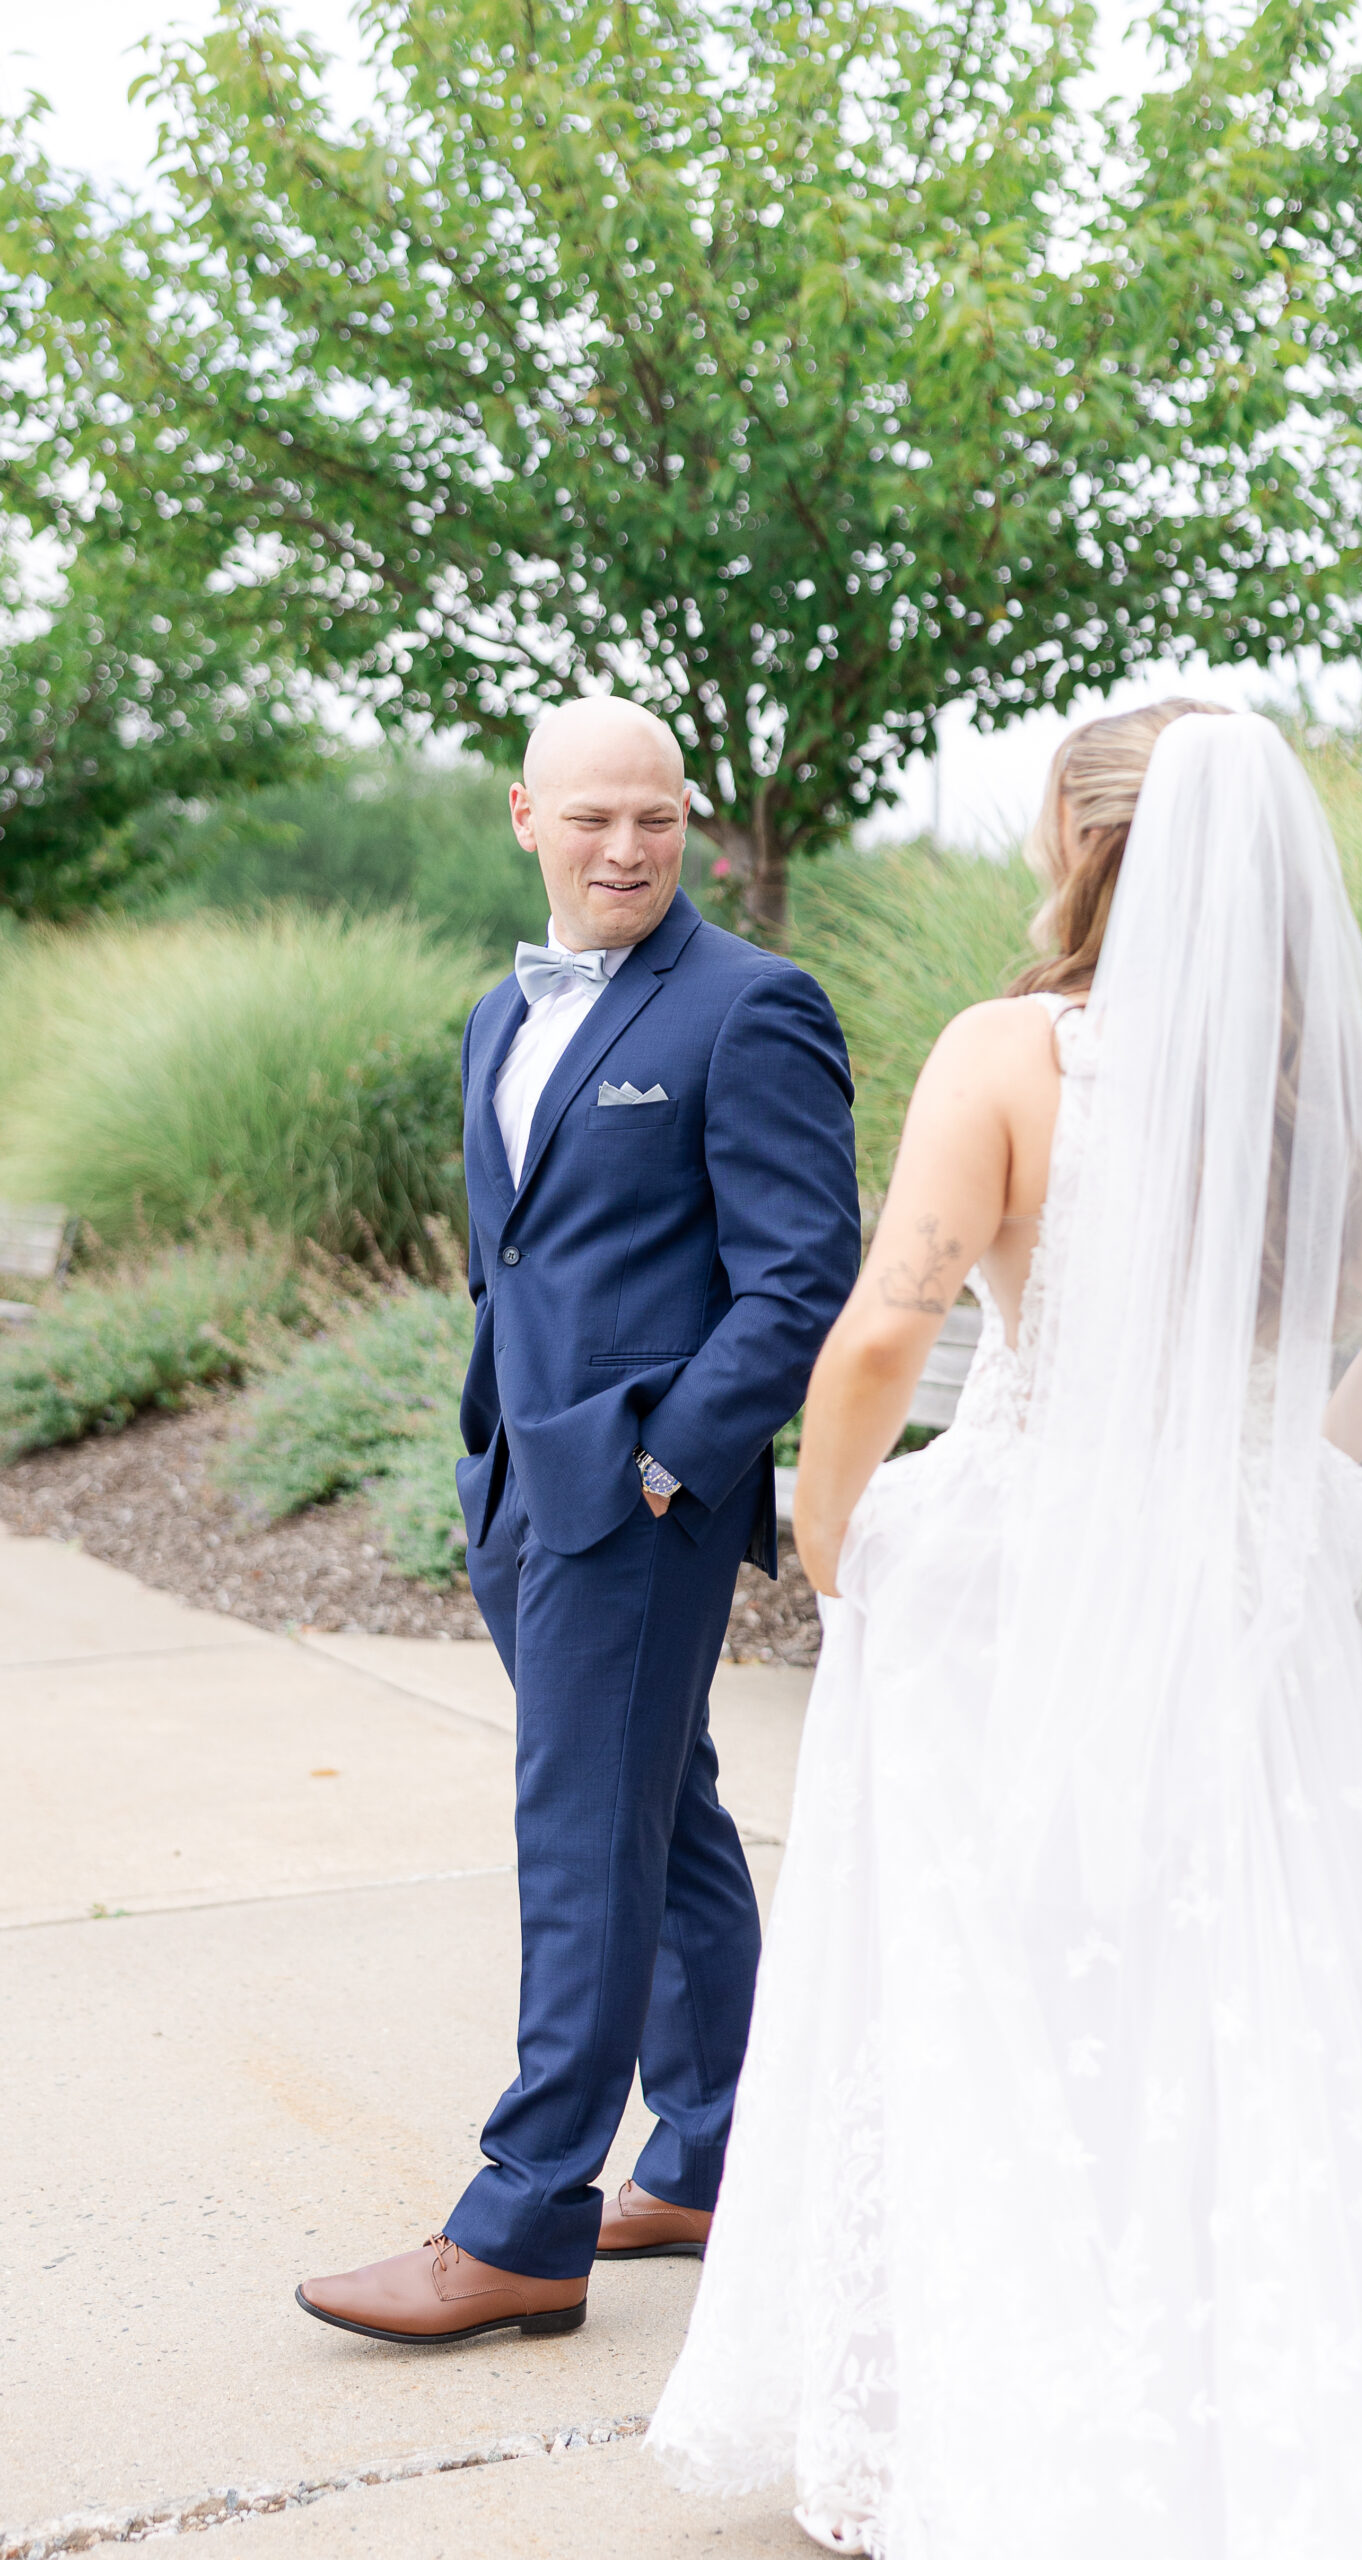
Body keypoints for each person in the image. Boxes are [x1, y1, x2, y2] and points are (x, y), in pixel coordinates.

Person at [648, 706, 1362, 2555]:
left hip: (1020, 1572)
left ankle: (1031, 2410)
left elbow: (888, 1331)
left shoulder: (1008, 1054)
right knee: (1246, 1971)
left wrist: (834, 1548)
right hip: (1240, 1574)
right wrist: (1281, 1496)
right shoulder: (1311, 1071)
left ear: (1086, 841)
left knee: (1015, 1978)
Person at [295, 696, 861, 2344]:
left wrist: (666, 1461)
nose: (630, 848)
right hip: (519, 1486)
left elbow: (799, 1275)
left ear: (687, 825)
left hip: (637, 1500)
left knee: (579, 1845)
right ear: (525, 818)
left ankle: (527, 2221)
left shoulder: (754, 1007)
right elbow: (520, 1263)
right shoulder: (497, 1015)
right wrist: (498, 1458)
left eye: (659, 819)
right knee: (656, 1817)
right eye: (596, 818)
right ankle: (712, 2153)